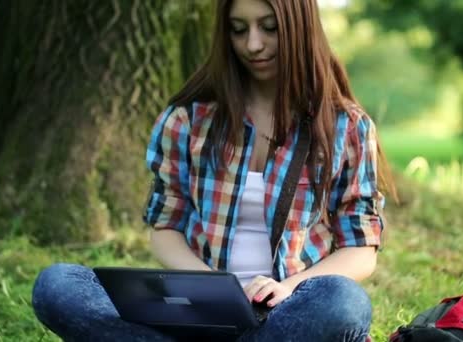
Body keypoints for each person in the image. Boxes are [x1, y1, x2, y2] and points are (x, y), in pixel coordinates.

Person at [31, 0, 396, 341]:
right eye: (239, 30)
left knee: (344, 302)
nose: (253, 44)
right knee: (57, 285)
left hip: (286, 311)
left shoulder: (347, 126)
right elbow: (165, 228)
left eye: (269, 28)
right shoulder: (188, 120)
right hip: (193, 311)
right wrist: (213, 290)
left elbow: (360, 250)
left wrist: (290, 287)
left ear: (299, 28)